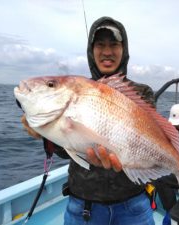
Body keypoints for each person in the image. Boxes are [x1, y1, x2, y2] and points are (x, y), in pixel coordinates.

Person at [21, 16, 155, 225]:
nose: (107, 51)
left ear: (124, 49)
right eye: (100, 45)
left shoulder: (142, 93)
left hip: (133, 204)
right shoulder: (77, 91)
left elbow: (147, 146)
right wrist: (44, 134)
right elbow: (67, 150)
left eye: (114, 45)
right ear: (91, 52)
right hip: (84, 206)